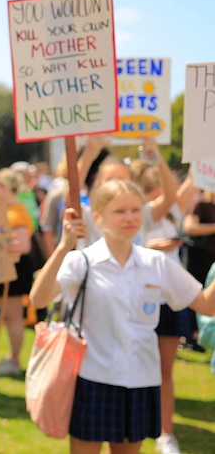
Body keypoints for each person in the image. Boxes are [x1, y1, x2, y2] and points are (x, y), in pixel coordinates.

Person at [30, 179, 215, 454]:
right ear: (98, 217)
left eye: (135, 210)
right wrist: (63, 246)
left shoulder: (157, 262)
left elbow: (206, 305)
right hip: (93, 378)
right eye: (119, 211)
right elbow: (38, 299)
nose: (129, 218)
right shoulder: (82, 261)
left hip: (141, 380)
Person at [133, 158, 197, 454]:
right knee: (134, 367)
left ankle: (165, 432)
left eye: (161, 181)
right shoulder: (140, 213)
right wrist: (150, 247)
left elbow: (187, 185)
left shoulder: (171, 213)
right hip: (136, 297)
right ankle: (135, 424)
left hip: (168, 299)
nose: (159, 188)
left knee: (164, 370)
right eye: (151, 184)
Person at [0, 167, 35, 376]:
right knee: (9, 315)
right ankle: (12, 358)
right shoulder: (10, 209)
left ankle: (14, 360)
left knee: (14, 316)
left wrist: (3, 244)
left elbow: (23, 245)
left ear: (5, 188)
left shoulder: (15, 212)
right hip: (8, 266)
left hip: (15, 267)